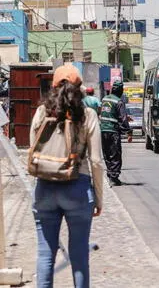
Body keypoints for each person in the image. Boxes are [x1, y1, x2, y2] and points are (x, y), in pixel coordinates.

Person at [29, 64, 104, 288]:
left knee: (45, 255)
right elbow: (97, 161)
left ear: (53, 87)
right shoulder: (87, 115)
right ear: (80, 88)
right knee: (79, 256)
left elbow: (34, 148)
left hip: (44, 187)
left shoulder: (42, 112)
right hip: (77, 188)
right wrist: (98, 198)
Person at [99, 80, 132, 186]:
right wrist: (129, 132)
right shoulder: (119, 102)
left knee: (107, 154)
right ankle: (114, 177)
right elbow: (122, 119)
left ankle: (110, 174)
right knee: (115, 154)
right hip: (113, 131)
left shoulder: (104, 99)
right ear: (120, 90)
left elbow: (109, 114)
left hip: (103, 130)